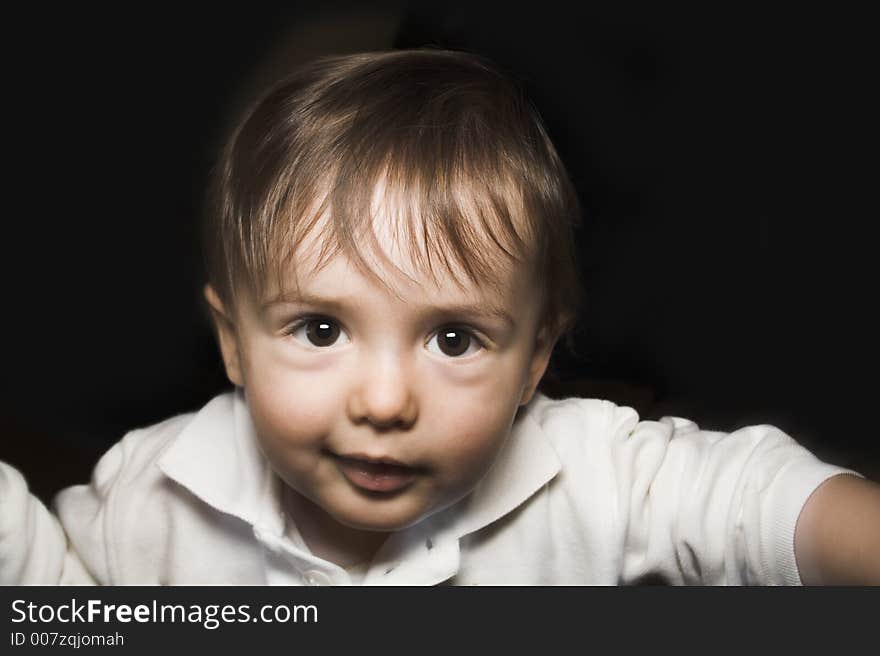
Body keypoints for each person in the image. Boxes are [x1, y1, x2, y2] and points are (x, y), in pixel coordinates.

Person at [1, 49, 877, 586]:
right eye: (320, 329)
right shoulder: (155, 488)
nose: (384, 402)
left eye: (454, 338)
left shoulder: (588, 472)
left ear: (536, 358)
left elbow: (741, 502)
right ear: (232, 342)